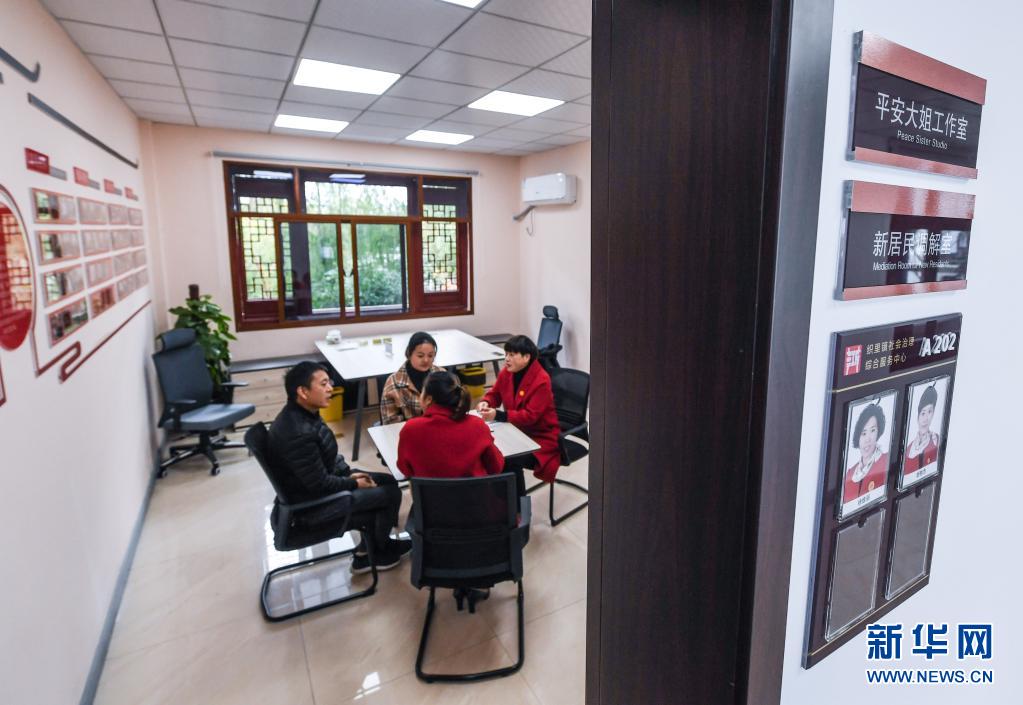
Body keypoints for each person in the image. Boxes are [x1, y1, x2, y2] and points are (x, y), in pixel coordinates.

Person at [267, 361, 410, 573]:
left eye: (329, 382)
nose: (330, 388)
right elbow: (319, 485)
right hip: (313, 506)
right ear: (303, 392)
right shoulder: (298, 432)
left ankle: (369, 548)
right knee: (389, 493)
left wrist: (349, 474)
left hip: (314, 489)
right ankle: (376, 554)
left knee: (388, 480)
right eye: (323, 384)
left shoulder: (304, 414)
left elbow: (324, 461)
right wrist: (352, 483)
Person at [477, 335, 561, 488]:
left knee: (507, 459)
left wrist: (498, 415)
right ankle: (501, 498)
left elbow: (530, 416)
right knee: (489, 451)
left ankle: (518, 502)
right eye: (506, 354)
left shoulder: (541, 380)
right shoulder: (507, 372)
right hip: (516, 429)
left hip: (539, 437)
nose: (507, 359)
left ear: (526, 357)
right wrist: (486, 402)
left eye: (512, 354)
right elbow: (495, 394)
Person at [397, 371, 504, 479]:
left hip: (430, 490)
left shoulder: (411, 429)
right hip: (475, 490)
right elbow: (496, 467)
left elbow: (405, 469)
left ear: (428, 399)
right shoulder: (477, 425)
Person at [380, 331, 444, 425]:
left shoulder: (442, 375)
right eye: (420, 356)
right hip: (408, 431)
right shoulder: (393, 383)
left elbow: (453, 409)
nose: (426, 360)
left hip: (438, 428)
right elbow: (390, 423)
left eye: (430, 355)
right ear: (409, 354)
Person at [843, 402, 889, 504]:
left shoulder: (887, 461)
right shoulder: (849, 474)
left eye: (872, 430)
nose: (868, 439)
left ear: (878, 432)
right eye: (863, 433)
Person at [904, 385, 940, 473]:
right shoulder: (908, 449)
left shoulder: (937, 440)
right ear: (918, 416)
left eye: (930, 412)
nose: (926, 418)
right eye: (923, 413)